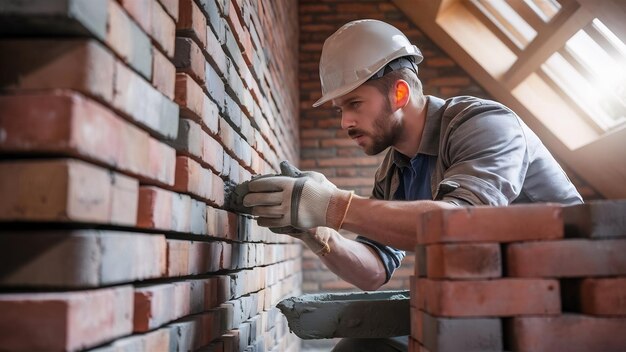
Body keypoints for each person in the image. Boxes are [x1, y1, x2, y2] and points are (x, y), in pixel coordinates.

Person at [238, 19, 583, 351]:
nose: (345, 122)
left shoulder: (485, 124)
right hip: (489, 303)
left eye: (354, 104)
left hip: (569, 302)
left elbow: (464, 226)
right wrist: (318, 232)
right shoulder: (395, 170)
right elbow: (374, 268)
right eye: (340, 109)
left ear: (399, 92)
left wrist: (332, 204)